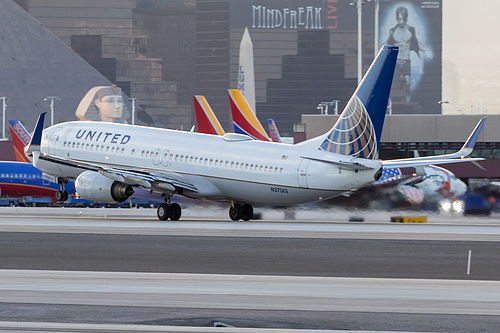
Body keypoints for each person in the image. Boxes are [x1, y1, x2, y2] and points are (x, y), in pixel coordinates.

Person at [386, 6, 420, 102]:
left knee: (407, 83)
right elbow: (387, 44)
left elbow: (417, 44)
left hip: (406, 61)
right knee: (395, 84)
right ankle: (395, 102)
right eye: (399, 19)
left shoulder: (411, 30)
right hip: (396, 62)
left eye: (403, 19)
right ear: (397, 18)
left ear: (406, 18)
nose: (401, 21)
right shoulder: (392, 31)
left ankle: (407, 100)